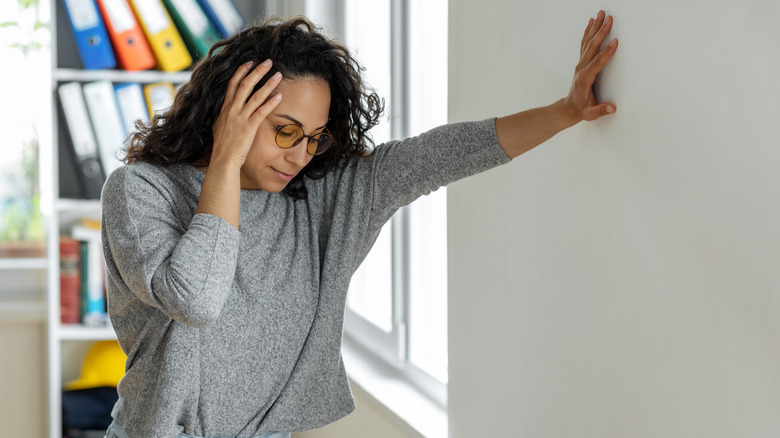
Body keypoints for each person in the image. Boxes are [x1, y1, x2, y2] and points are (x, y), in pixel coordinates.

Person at [101, 11, 618, 438]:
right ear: (230, 113)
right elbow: (196, 299)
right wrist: (226, 162)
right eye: (285, 131)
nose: (300, 155)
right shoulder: (140, 191)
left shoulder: (322, 199)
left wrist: (565, 111)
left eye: (314, 137)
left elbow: (437, 155)